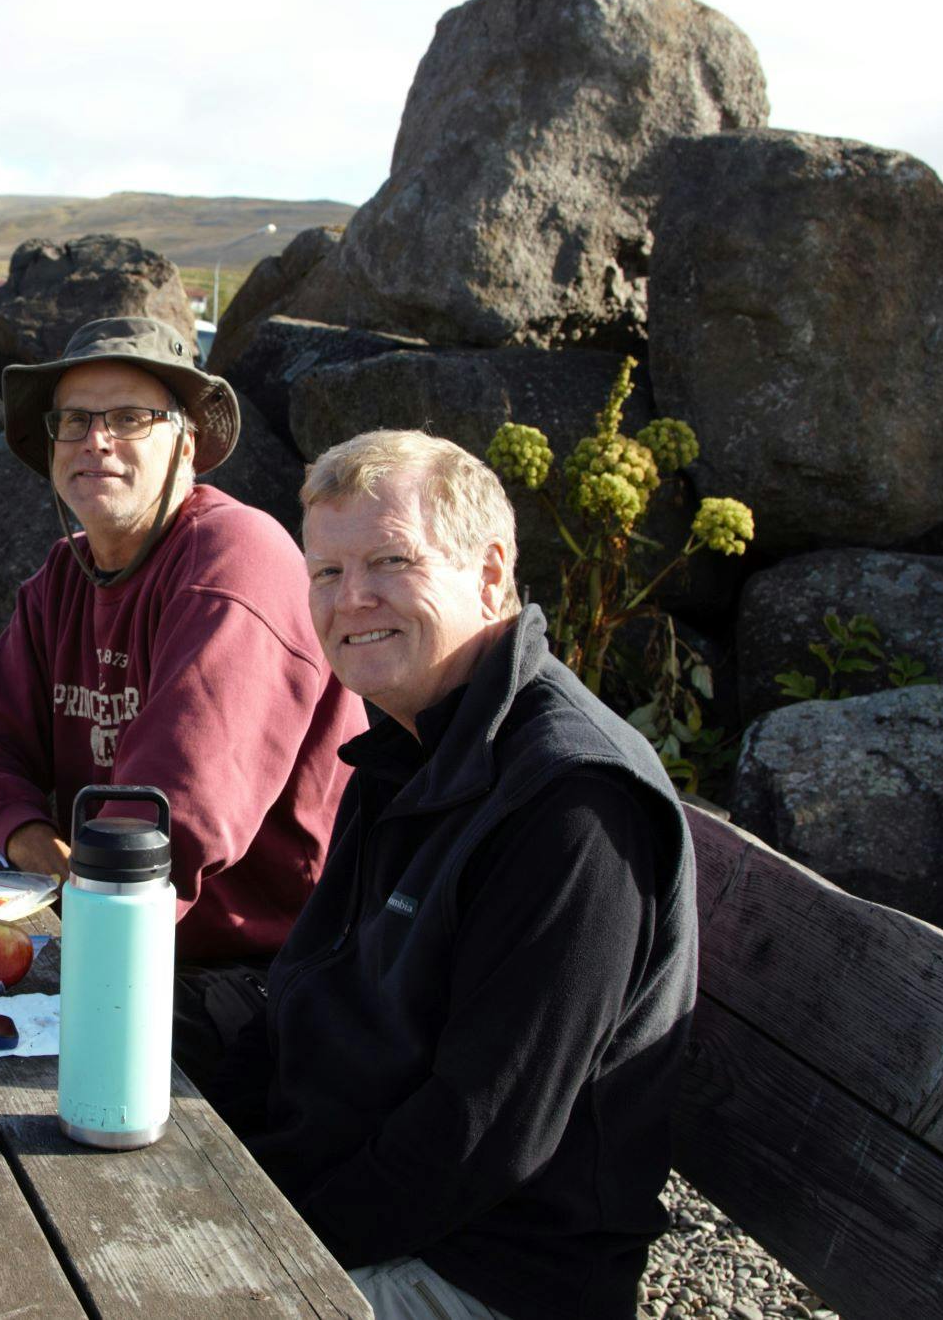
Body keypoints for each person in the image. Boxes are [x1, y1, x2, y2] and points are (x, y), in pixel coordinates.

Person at [218, 430, 696, 1320]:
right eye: (325, 572)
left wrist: (251, 1241)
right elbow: (307, 993)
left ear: (489, 571)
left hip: (485, 1273)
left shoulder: (573, 803)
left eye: (390, 560)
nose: (350, 599)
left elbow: (479, 1133)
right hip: (371, 1206)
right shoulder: (411, 740)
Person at [0, 315, 360, 981]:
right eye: (72, 420)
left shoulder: (234, 560)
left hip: (261, 973)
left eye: (130, 417)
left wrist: (74, 907)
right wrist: (29, 836)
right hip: (117, 920)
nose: (95, 439)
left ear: (186, 445)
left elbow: (174, 814)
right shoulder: (61, 578)